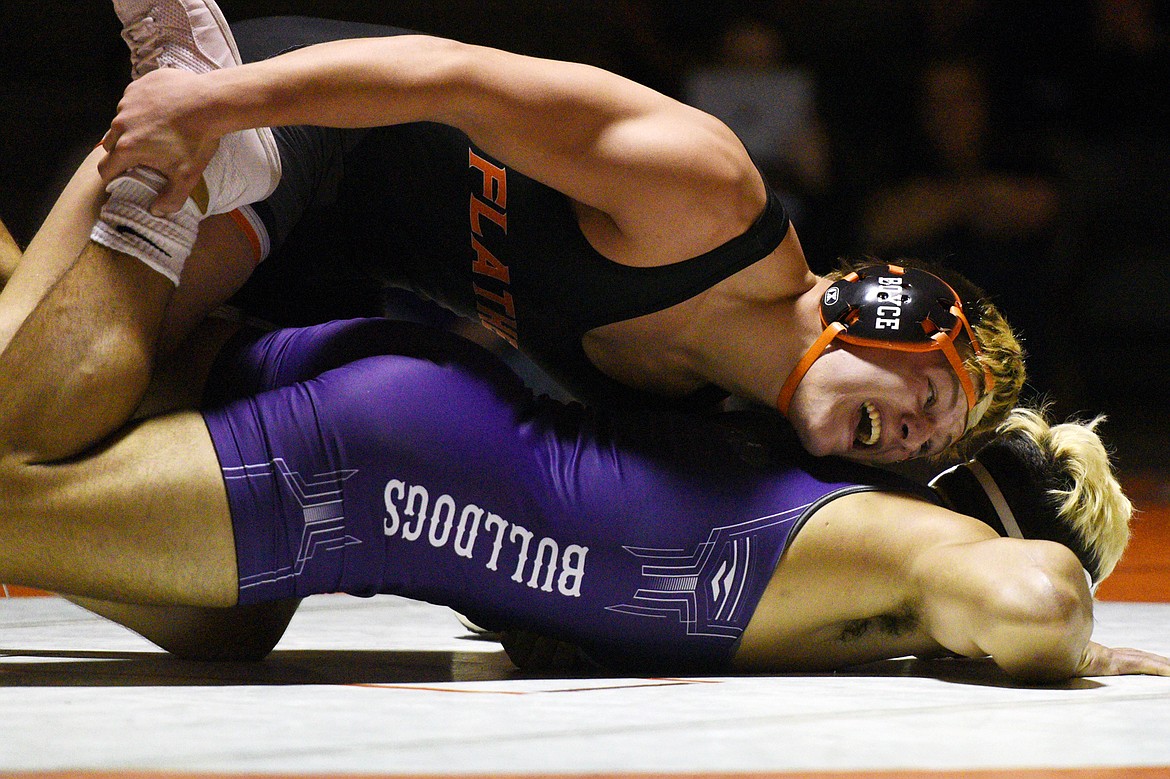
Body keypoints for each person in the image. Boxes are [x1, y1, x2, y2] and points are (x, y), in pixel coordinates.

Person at [0, 209, 1165, 681]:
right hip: (361, 476)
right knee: (13, 470)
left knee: (222, 622)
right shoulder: (908, 548)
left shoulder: (840, 505)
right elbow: (1034, 599)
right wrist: (1068, 649)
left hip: (415, 427)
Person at [4, 1, 1027, 465]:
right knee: (49, 411)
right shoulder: (703, 194)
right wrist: (216, 102)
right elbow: (447, 72)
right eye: (934, 394)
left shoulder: (721, 420)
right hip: (303, 134)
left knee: (218, 615)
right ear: (886, 306)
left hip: (337, 262)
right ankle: (184, 56)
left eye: (933, 441)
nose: (922, 433)